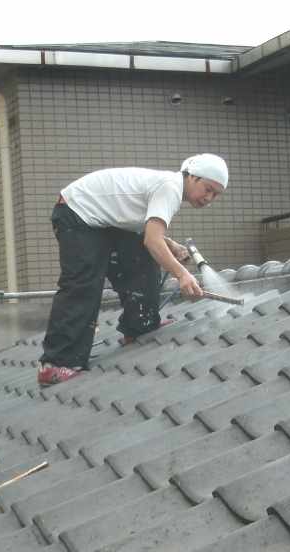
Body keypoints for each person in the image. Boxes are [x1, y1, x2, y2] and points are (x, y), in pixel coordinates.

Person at [38, 154, 228, 387]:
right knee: (83, 283)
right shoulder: (170, 187)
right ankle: (56, 364)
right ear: (192, 177)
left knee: (141, 260)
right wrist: (181, 274)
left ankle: (140, 326)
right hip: (76, 212)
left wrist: (169, 243)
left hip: (102, 220)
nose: (209, 198)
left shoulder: (168, 186)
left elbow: (138, 224)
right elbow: (151, 240)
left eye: (216, 195)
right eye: (208, 189)